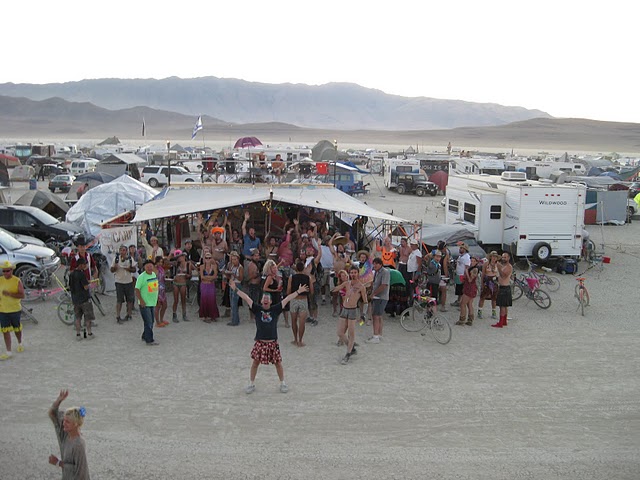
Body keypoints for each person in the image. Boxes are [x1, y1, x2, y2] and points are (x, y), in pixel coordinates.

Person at [229, 277, 308, 394]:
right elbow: (245, 297)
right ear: (261, 301)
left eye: (268, 299)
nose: (265, 300)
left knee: (278, 364)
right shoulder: (257, 309)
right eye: (264, 298)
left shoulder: (275, 310)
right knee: (255, 363)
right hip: (260, 342)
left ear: (270, 302)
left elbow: (287, 299)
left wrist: (298, 292)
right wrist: (235, 289)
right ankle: (251, 384)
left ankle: (283, 383)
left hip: (272, 343)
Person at [48, 389, 90, 479]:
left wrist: (58, 462)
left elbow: (81, 472)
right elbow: (52, 414)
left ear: (76, 424)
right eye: (64, 420)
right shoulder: (64, 434)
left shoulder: (78, 444)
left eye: (67, 422)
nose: (63, 423)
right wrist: (59, 400)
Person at [332, 266, 368, 365]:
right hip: (344, 309)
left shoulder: (361, 287)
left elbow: (365, 301)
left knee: (351, 333)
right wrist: (335, 281)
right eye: (351, 272)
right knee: (340, 332)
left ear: (358, 273)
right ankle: (351, 347)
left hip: (352, 310)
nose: (353, 274)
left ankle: (348, 353)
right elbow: (336, 288)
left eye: (355, 272)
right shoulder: (347, 283)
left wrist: (363, 314)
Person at [0, 260, 25, 360]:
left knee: (17, 328)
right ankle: (8, 351)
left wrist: (10, 294)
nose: (6, 273)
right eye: (4, 271)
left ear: (12, 270)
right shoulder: (0, 280)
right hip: (2, 310)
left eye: (7, 271)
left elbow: (22, 295)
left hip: (14, 309)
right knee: (5, 331)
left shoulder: (17, 280)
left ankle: (20, 342)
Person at [68, 258, 95, 340]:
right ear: (81, 265)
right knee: (88, 318)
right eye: (85, 264)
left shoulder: (71, 274)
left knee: (78, 317)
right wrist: (90, 284)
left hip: (75, 299)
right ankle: (89, 333)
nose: (86, 266)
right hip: (84, 299)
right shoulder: (82, 274)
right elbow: (86, 287)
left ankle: (78, 334)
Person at [135, 260, 160, 345]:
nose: (149, 268)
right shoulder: (141, 277)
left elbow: (154, 288)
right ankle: (149, 340)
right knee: (148, 321)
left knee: (151, 321)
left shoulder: (153, 275)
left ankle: (145, 335)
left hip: (152, 302)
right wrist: (141, 300)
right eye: (147, 266)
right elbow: (137, 289)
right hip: (144, 303)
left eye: (151, 266)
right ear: (144, 267)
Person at [111, 245, 137, 324]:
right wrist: (115, 267)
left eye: (124, 250)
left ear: (126, 251)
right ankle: (118, 316)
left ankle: (129, 314)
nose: (122, 252)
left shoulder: (130, 259)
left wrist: (128, 269)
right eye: (121, 250)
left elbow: (134, 269)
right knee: (119, 300)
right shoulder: (116, 259)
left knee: (129, 299)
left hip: (128, 281)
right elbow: (112, 270)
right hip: (119, 282)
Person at [287, 261, 311, 346]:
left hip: (294, 299)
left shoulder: (291, 277)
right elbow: (311, 290)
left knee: (293, 321)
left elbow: (289, 290)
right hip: (303, 300)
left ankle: (295, 339)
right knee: (302, 322)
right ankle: (300, 340)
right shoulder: (307, 278)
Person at [368, 257, 390, 344]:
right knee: (379, 316)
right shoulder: (376, 273)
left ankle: (376, 336)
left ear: (380, 264)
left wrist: (374, 294)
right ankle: (379, 334)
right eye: (374, 263)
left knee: (376, 316)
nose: (375, 265)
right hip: (377, 297)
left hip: (381, 297)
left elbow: (384, 285)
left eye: (376, 263)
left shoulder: (385, 272)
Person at [263, 259, 289, 328]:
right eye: (273, 268)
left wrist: (280, 263)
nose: (275, 269)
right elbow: (264, 288)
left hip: (276, 295)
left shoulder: (274, 275)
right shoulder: (269, 277)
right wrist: (275, 290)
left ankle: (274, 324)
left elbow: (276, 267)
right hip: (272, 296)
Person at [492, 252, 513, 328]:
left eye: (505, 257)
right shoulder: (503, 265)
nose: (503, 259)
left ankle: (501, 322)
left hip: (505, 287)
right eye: (503, 257)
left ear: (508, 258)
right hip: (501, 286)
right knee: (504, 305)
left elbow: (504, 276)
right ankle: (504, 321)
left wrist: (499, 268)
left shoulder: (509, 267)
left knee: (502, 306)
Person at [457, 256, 480, 326]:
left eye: (473, 261)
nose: (472, 262)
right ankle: (470, 319)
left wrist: (466, 272)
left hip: (469, 288)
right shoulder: (472, 268)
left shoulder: (474, 269)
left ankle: (462, 319)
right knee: (469, 304)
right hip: (469, 287)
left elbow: (470, 280)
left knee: (462, 303)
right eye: (471, 261)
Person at [170, 251, 192, 322]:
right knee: (176, 300)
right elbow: (167, 262)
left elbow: (190, 274)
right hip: (176, 282)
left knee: (183, 300)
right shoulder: (176, 264)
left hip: (183, 282)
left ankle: (184, 314)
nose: (180, 258)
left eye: (181, 257)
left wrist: (188, 276)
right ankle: (174, 314)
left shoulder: (188, 264)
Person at [478, 251, 500, 320]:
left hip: (494, 281)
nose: (494, 258)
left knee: (494, 298)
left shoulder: (498, 264)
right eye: (493, 256)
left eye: (495, 257)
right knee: (483, 297)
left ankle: (493, 312)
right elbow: (483, 274)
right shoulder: (486, 264)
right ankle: (480, 311)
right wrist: (482, 283)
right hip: (487, 281)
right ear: (490, 257)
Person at [224, 251, 244, 326]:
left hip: (237, 284)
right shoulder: (231, 265)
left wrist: (234, 275)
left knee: (234, 303)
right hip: (231, 283)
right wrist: (227, 274)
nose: (234, 261)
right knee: (232, 302)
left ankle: (235, 321)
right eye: (232, 259)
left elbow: (241, 278)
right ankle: (235, 319)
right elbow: (229, 276)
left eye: (235, 259)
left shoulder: (240, 267)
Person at [199, 252, 219, 323]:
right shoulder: (201, 267)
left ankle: (212, 315)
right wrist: (210, 278)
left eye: (209, 258)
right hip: (204, 284)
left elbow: (215, 276)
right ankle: (205, 316)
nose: (208, 259)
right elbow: (202, 277)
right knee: (204, 299)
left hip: (211, 285)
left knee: (212, 300)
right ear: (204, 259)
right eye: (206, 258)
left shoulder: (214, 266)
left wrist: (207, 278)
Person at [451, 242, 471, 307]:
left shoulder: (467, 257)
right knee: (459, 290)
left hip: (462, 275)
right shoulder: (460, 256)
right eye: (460, 248)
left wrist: (465, 276)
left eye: (461, 248)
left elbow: (467, 267)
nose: (460, 249)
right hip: (458, 274)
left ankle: (462, 303)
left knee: (462, 290)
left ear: (465, 249)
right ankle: (458, 301)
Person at [154, 256, 169, 327]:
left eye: (161, 262)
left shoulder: (161, 269)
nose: (160, 263)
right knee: (158, 306)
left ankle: (161, 319)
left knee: (164, 305)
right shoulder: (155, 269)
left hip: (162, 288)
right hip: (156, 288)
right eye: (159, 262)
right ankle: (157, 322)